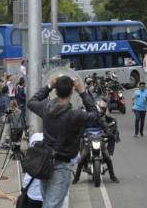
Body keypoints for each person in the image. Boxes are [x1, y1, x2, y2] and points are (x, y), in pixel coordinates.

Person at [27, 76, 98, 208]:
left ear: (56, 91)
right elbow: (95, 114)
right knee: (51, 205)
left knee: (48, 202)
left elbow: (31, 102)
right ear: (72, 92)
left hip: (45, 163)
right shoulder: (75, 115)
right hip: (61, 166)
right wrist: (82, 92)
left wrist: (48, 86)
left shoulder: (46, 108)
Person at [73, 99, 120, 184]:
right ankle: (76, 178)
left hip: (100, 140)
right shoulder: (84, 119)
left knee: (108, 159)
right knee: (81, 160)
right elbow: (80, 130)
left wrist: (109, 133)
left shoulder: (100, 119)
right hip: (88, 141)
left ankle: (113, 177)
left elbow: (105, 126)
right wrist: (79, 136)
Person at [22, 133, 43, 208]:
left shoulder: (35, 136)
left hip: (32, 192)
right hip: (49, 195)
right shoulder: (57, 139)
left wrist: (24, 188)